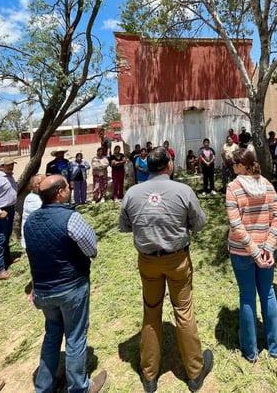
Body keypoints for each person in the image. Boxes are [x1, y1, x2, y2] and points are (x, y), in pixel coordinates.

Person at [119, 147, 213, 393]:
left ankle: (149, 374)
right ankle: (195, 372)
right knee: (183, 310)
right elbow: (200, 224)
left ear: (147, 166)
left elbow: (125, 226)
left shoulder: (132, 193)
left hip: (148, 261)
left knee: (151, 311)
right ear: (169, 164)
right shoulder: (183, 190)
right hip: (177, 260)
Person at [24, 175, 107, 393]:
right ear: (60, 193)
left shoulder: (30, 221)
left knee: (52, 334)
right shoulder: (71, 218)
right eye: (66, 185)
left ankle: (44, 386)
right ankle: (79, 387)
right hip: (71, 288)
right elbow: (92, 250)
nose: (70, 187)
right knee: (75, 336)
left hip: (43, 290)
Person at [226, 148, 277, 361]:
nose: (232, 167)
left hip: (243, 251)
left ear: (242, 166)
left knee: (248, 297)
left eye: (234, 164)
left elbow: (235, 224)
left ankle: (250, 350)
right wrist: (268, 246)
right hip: (266, 251)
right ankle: (274, 346)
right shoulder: (267, 185)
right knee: (268, 294)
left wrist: (254, 250)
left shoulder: (233, 188)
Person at [0, 157, 18, 280]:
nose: (11, 167)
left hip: (10, 210)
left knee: (7, 235)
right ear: (1, 166)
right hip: (1, 212)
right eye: (8, 165)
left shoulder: (10, 176)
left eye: (12, 164)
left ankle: (7, 258)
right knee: (0, 238)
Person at [21, 174, 45, 249]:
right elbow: (47, 212)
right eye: (39, 183)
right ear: (32, 186)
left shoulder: (41, 196)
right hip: (34, 237)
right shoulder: (32, 199)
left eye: (44, 182)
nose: (43, 185)